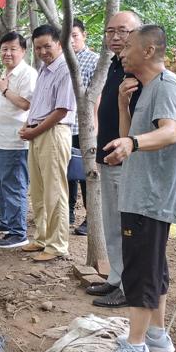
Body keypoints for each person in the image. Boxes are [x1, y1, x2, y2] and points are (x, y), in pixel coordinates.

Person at [98, 25, 176, 352]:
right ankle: (156, 334)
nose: (122, 51)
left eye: (129, 45)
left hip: (149, 196)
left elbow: (169, 132)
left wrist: (133, 144)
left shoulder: (166, 86)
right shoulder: (147, 88)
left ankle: (136, 348)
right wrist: (123, 106)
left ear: (148, 51)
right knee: (154, 266)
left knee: (139, 269)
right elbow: (128, 138)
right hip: (142, 191)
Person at [86, 11, 143, 309]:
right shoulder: (113, 65)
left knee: (127, 226)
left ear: (139, 34)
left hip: (127, 159)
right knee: (111, 222)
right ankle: (115, 277)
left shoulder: (138, 70)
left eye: (123, 31)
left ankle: (128, 286)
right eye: (110, 32)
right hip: (107, 154)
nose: (116, 37)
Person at [19, 24, 75, 262]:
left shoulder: (66, 69)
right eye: (38, 47)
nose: (43, 51)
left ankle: (57, 244)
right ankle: (42, 238)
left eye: (47, 46)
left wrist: (35, 130)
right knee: (39, 190)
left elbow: (61, 110)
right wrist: (29, 127)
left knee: (55, 191)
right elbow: (39, 106)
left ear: (59, 44)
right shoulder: (44, 69)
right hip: (37, 133)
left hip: (53, 133)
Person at [0, 32, 37, 248]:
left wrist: (4, 89)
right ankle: (5, 221)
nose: (8, 53)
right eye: (4, 49)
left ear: (23, 51)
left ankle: (18, 232)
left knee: (14, 185)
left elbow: (26, 104)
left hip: (14, 141)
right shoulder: (7, 72)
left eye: (13, 49)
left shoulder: (27, 74)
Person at [69, 18, 100, 235]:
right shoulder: (63, 60)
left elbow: (97, 95)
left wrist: (94, 126)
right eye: (66, 37)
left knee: (86, 173)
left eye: (74, 36)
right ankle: (67, 212)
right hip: (65, 126)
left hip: (85, 128)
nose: (70, 41)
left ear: (84, 36)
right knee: (66, 171)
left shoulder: (93, 60)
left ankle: (91, 218)